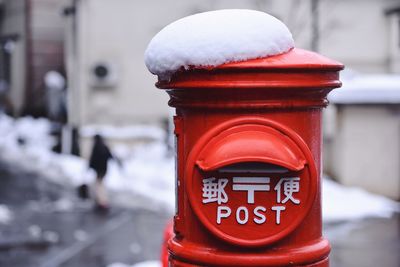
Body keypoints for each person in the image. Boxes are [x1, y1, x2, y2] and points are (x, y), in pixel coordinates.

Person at [89, 134, 113, 210]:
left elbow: (92, 159)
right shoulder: (104, 147)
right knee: (100, 185)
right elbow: (110, 156)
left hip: (99, 170)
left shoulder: (96, 147)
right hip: (104, 170)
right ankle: (102, 200)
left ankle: (102, 201)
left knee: (99, 186)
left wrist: (90, 166)